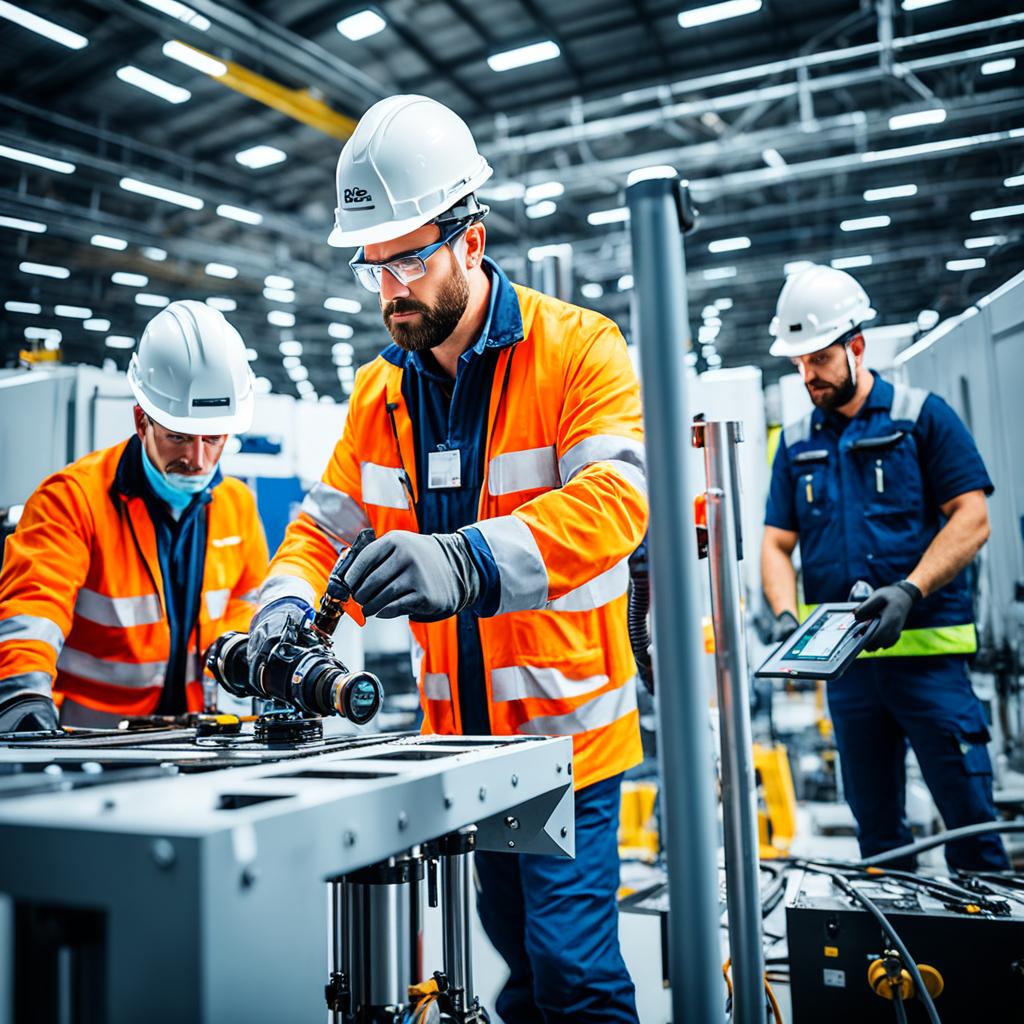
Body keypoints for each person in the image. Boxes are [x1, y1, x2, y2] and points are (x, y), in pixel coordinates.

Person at [248, 94, 646, 1021]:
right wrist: (281, 604)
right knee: (514, 974)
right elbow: (321, 530)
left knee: (575, 979)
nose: (391, 288)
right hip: (463, 753)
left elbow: (616, 503)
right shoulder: (377, 394)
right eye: (372, 265)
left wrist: (463, 561)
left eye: (409, 258)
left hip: (567, 750)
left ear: (472, 239)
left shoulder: (580, 350)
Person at [760, 264, 1009, 870]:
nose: (807, 376)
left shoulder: (923, 418)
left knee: (969, 832)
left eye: (818, 359)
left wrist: (909, 590)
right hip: (850, 675)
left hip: (929, 664)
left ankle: (992, 960)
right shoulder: (794, 443)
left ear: (857, 346)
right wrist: (787, 615)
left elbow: (971, 518)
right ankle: (899, 962)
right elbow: (774, 544)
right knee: (879, 840)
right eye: (797, 364)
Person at [0, 300, 268, 730]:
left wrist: (238, 656)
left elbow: (246, 602)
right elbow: (33, 609)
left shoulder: (237, 504)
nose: (198, 459)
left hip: (203, 738)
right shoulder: (71, 499)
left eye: (214, 438)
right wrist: (22, 696)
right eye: (178, 437)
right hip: (94, 745)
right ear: (142, 421)